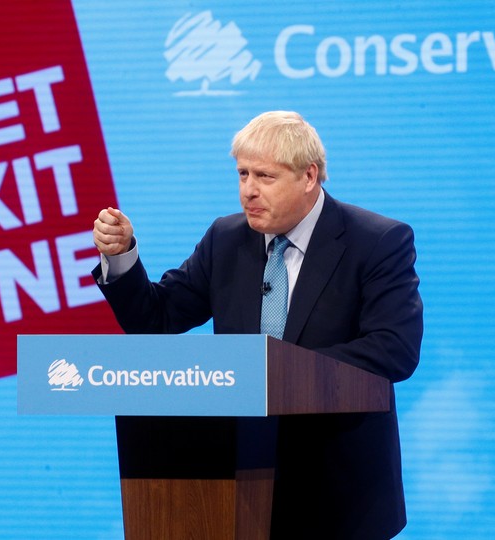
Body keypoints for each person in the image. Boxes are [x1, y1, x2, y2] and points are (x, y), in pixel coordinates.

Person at [92, 110, 423, 539]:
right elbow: (157, 318)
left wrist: (274, 371)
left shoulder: (377, 242)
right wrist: (122, 259)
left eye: (265, 177)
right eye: (243, 174)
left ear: (309, 176)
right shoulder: (225, 239)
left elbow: (393, 349)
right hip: (231, 486)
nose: (249, 191)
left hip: (338, 493)